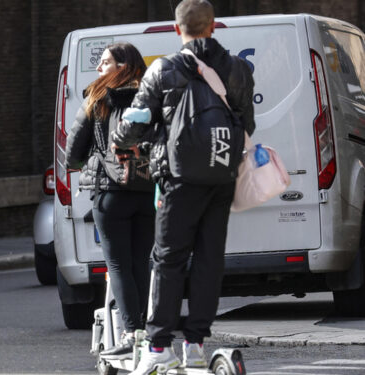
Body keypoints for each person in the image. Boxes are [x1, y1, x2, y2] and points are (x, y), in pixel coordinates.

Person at [111, 1, 256, 373]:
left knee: (168, 258)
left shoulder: (164, 68)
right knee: (210, 258)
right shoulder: (237, 69)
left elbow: (137, 119)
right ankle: (195, 343)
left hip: (178, 178)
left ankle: (159, 346)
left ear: (178, 30)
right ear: (213, 27)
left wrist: (121, 140)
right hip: (221, 176)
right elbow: (247, 124)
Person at [65, 42, 154, 357]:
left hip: (110, 195)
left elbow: (73, 154)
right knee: (141, 264)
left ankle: (132, 334)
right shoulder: (150, 97)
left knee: (118, 265)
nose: (99, 69)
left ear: (121, 66)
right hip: (147, 192)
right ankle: (143, 330)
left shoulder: (97, 98)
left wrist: (86, 162)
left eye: (104, 63)